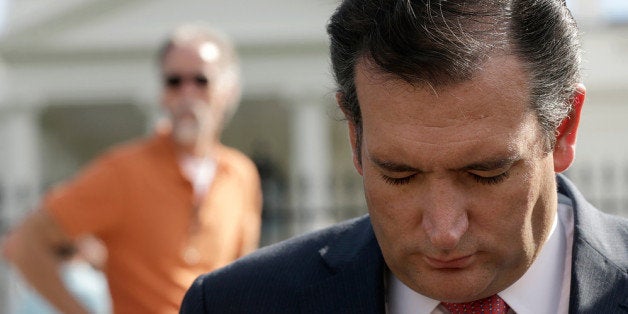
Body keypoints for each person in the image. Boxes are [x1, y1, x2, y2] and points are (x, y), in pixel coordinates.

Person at [180, 1, 628, 313]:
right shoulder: (235, 304)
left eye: (485, 173)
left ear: (564, 127)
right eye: (399, 174)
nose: (444, 231)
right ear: (355, 136)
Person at [4, 23, 262, 314]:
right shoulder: (122, 171)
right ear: (162, 92)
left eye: (200, 80)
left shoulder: (242, 174)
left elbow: (242, 278)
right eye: (174, 81)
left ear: (228, 90)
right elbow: (25, 242)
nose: (186, 93)